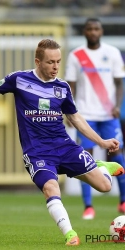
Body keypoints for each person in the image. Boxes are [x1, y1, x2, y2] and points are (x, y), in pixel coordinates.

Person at [0, 39, 124, 246]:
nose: (56, 67)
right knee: (51, 188)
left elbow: (75, 119)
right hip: (37, 152)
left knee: (105, 186)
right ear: (38, 61)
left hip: (65, 147)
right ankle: (70, 234)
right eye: (50, 62)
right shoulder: (19, 79)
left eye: (58, 61)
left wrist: (102, 142)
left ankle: (101, 167)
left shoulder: (62, 87)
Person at [65, 18, 125, 220]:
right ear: (84, 31)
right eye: (89, 28)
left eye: (96, 28)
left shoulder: (113, 53)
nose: (93, 32)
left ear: (101, 31)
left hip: (109, 115)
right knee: (85, 160)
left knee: (117, 155)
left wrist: (117, 105)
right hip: (85, 115)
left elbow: (119, 83)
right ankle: (88, 206)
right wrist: (68, 113)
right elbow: (70, 87)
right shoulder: (76, 55)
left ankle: (123, 202)